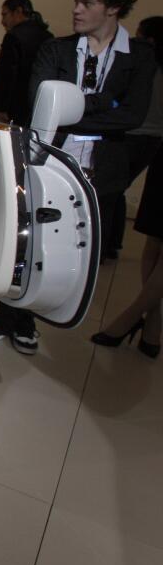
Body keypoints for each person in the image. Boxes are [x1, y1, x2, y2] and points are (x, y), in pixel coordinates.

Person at [0, 0, 155, 355]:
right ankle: (9, 317)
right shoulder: (55, 48)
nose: (76, 9)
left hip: (101, 167)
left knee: (64, 249)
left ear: (114, 8)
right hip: (49, 158)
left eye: (88, 3)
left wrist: (76, 108)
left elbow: (133, 115)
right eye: (77, 0)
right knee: (27, 241)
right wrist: (105, 103)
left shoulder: (139, 57)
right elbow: (43, 102)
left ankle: (29, 318)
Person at [92, 18, 163, 359]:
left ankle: (131, 316)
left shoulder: (141, 64)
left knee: (108, 195)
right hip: (158, 147)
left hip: (133, 137)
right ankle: (153, 324)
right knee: (153, 236)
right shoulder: (148, 64)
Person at [113, 16, 163, 255]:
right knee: (118, 188)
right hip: (154, 138)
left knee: (110, 189)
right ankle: (112, 244)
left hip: (131, 133)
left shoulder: (141, 66)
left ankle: (105, 244)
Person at [0, 0, 52, 125]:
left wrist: (1, 107)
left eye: (5, 15)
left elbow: (7, 75)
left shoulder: (14, 36)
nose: (2, 21)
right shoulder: (49, 38)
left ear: (18, 11)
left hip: (10, 110)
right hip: (32, 108)